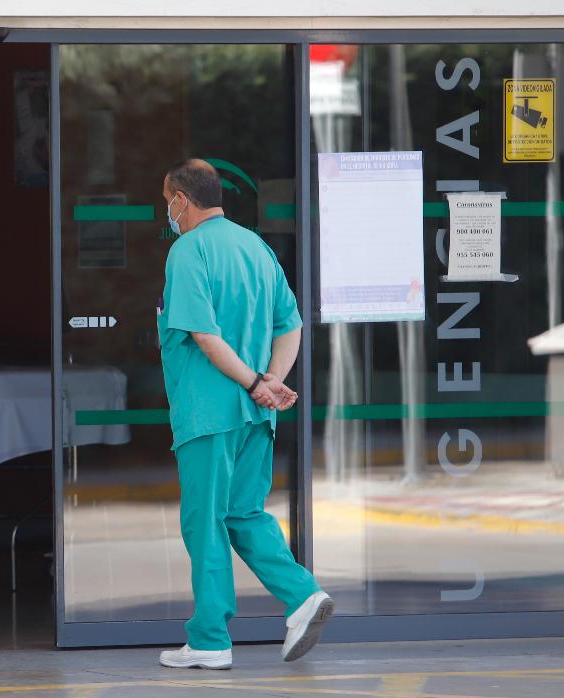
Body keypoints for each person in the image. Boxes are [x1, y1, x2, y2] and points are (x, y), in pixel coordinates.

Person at [156, 159, 332, 671]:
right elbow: (290, 323)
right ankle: (303, 596)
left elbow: (205, 336)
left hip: (208, 413)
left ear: (181, 200)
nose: (166, 211)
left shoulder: (188, 250)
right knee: (243, 514)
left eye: (166, 200)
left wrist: (259, 382)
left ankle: (209, 639)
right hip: (255, 416)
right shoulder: (255, 246)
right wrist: (271, 382)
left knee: (205, 522)